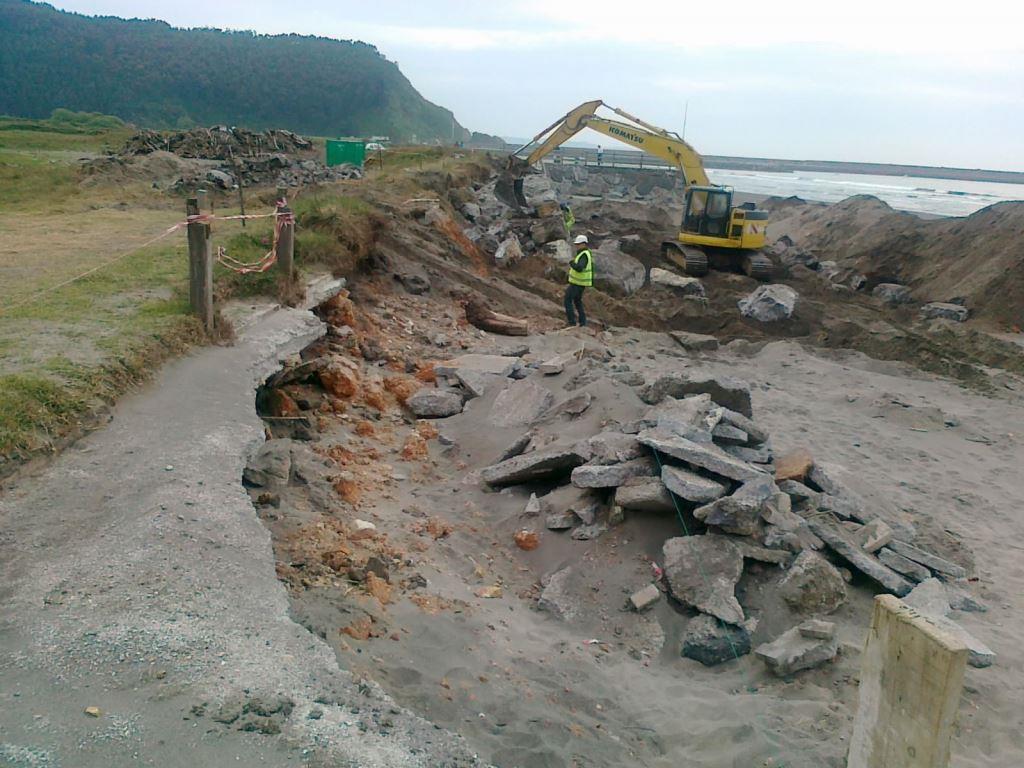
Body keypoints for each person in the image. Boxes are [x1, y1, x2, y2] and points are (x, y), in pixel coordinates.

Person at [564, 234, 593, 327]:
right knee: (577, 301)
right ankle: (582, 322)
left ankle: (572, 322)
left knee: (567, 300)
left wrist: (572, 263)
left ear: (584, 244)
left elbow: (580, 268)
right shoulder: (583, 253)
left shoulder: (584, 255)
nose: (577, 246)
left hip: (578, 283)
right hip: (580, 283)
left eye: (578, 244)